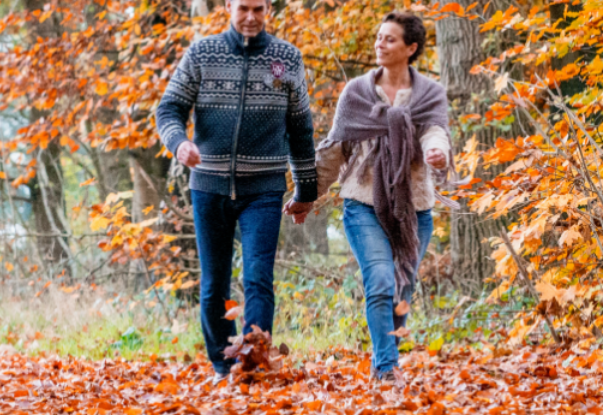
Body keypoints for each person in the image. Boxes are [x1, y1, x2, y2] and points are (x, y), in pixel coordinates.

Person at [155, 0, 319, 382]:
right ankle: (221, 365)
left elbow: (301, 129)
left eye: (258, 9)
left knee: (258, 277)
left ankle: (252, 363)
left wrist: (306, 191)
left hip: (263, 188)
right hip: (209, 186)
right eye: (243, 7)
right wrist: (178, 143)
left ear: (268, 10)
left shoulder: (286, 58)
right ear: (228, 5)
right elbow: (169, 109)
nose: (250, 17)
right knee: (214, 283)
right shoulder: (202, 52)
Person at [304, 11, 455, 385]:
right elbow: (334, 149)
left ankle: (384, 361)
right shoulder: (356, 92)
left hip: (415, 207)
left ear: (411, 48)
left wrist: (437, 152)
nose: (379, 44)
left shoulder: (429, 94)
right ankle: (387, 369)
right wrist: (307, 196)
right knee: (381, 281)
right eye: (378, 37)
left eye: (389, 39)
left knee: (403, 288)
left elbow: (436, 131)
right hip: (363, 203)